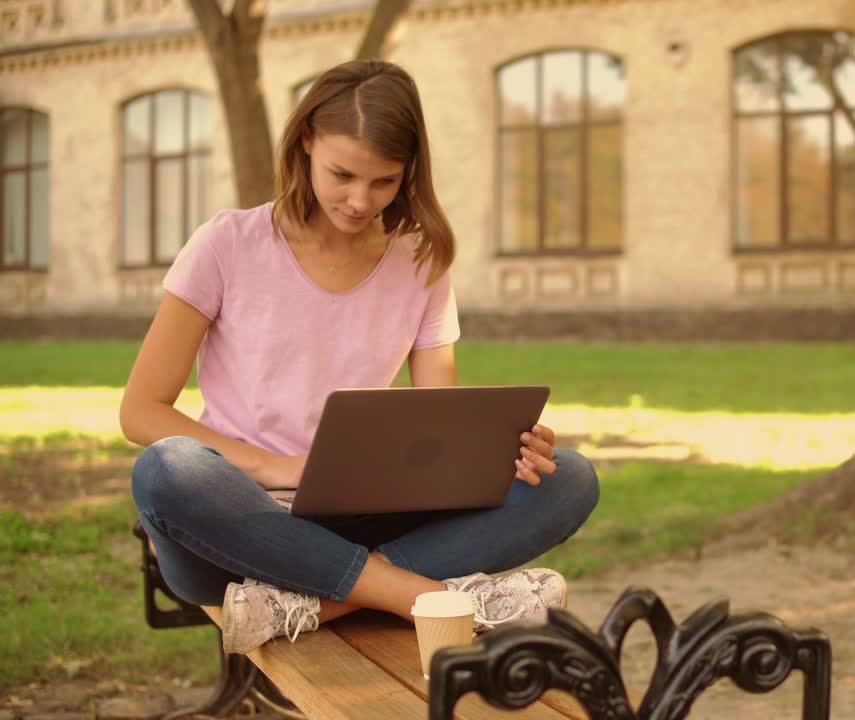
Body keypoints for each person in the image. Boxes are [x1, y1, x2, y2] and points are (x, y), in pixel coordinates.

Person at [120, 60, 599, 656]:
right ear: (306, 143)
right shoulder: (226, 245)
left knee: (570, 478)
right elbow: (140, 413)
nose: (359, 200)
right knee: (165, 470)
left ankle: (311, 606)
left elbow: (436, 432)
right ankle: (424, 594)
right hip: (239, 525)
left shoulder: (421, 261)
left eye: (384, 182)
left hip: (366, 515)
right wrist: (275, 467)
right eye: (342, 174)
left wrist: (503, 453)